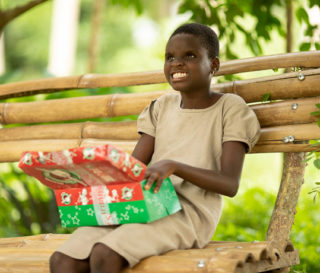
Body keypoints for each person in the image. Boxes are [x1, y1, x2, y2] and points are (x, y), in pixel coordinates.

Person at [49, 22, 260, 273]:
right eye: (170, 57)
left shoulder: (230, 108)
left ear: (214, 65)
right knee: (63, 260)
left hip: (188, 214)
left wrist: (174, 166)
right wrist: (84, 177)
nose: (177, 63)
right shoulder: (162, 106)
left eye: (189, 56)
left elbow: (229, 184)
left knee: (104, 254)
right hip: (142, 205)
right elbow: (133, 169)